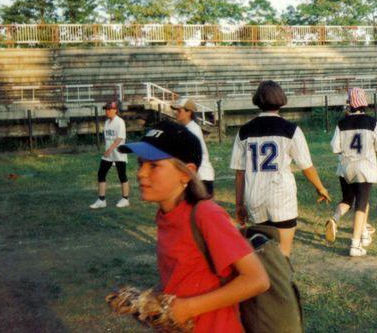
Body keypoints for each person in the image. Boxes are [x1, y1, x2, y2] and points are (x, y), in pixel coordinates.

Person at [118, 120, 270, 331]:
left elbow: (257, 279)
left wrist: (187, 308)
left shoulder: (206, 214)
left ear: (185, 173)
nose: (141, 173)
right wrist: (150, 303)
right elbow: (184, 277)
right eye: (140, 164)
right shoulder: (166, 215)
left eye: (153, 165)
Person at [230, 80, 330, 257]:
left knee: (263, 254)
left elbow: (240, 173)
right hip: (281, 196)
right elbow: (306, 166)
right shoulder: (291, 129)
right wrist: (320, 188)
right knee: (283, 253)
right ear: (281, 100)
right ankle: (281, 282)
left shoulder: (244, 131)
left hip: (255, 197)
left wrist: (239, 204)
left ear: (258, 101)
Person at [325, 88, 377, 257]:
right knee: (362, 203)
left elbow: (335, 147)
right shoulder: (372, 122)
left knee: (348, 199)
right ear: (364, 103)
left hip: (346, 167)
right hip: (365, 168)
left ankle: (336, 219)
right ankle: (356, 244)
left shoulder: (341, 123)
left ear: (350, 104)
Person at [90, 101, 130, 209]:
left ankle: (125, 199)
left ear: (115, 110)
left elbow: (120, 138)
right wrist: (107, 150)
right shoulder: (107, 122)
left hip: (119, 153)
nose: (107, 111)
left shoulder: (120, 122)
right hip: (108, 155)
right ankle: (101, 200)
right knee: (101, 174)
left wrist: (110, 149)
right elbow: (108, 138)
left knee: (122, 175)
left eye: (109, 109)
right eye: (106, 109)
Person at [172, 98, 215, 196]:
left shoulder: (193, 130)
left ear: (188, 112)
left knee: (202, 210)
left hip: (201, 177)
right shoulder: (188, 128)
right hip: (196, 176)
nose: (176, 113)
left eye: (179, 111)